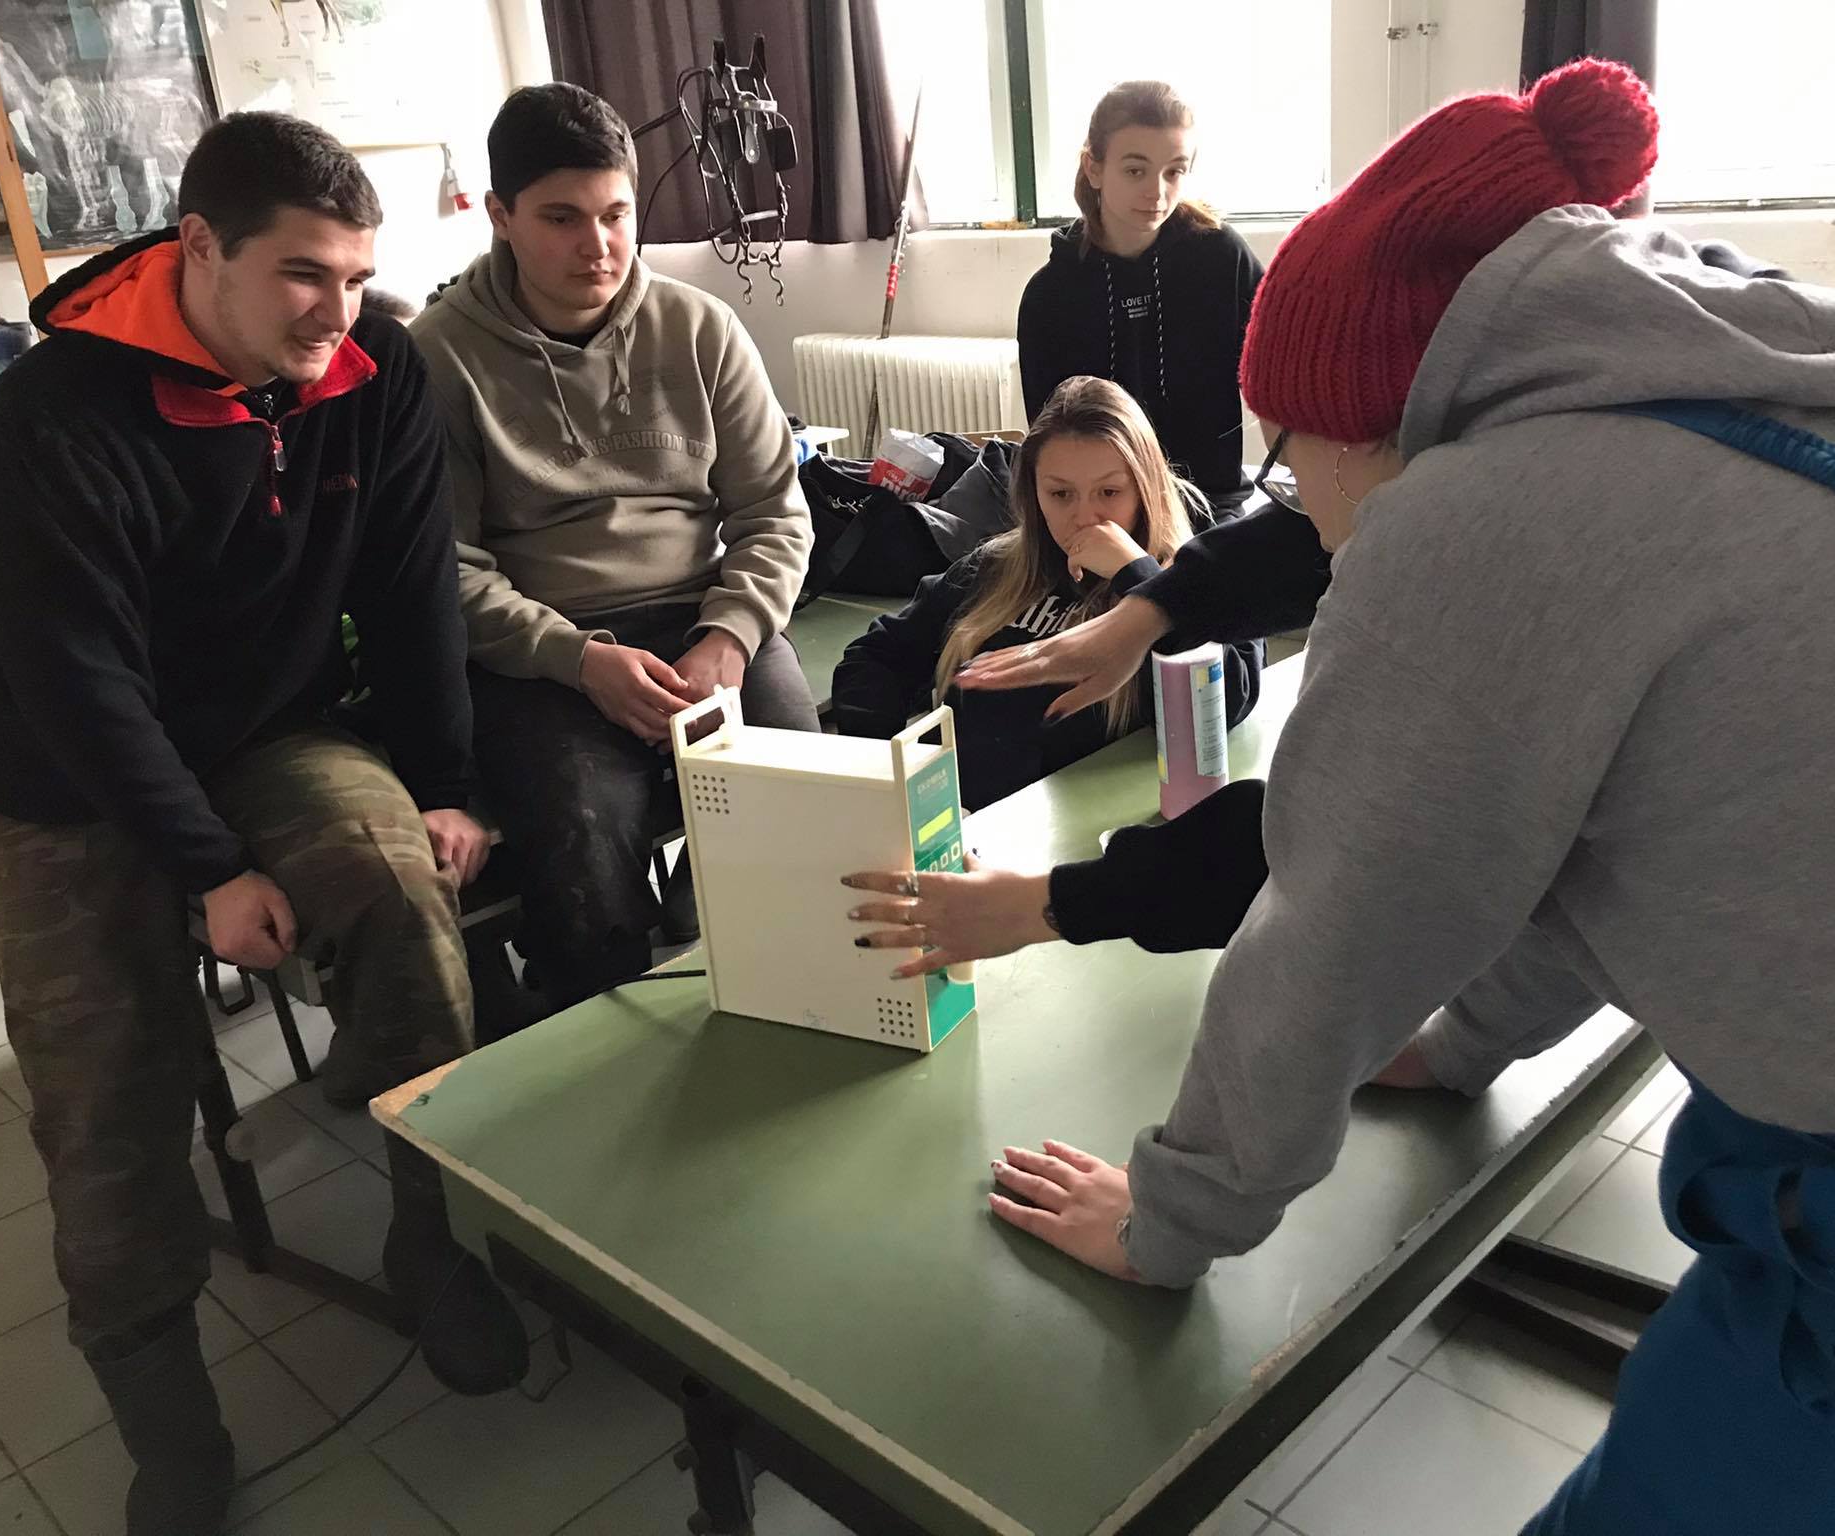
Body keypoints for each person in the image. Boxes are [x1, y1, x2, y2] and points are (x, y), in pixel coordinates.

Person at [944, 60, 1835, 1535]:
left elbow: (1334, 924)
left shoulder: (1482, 524)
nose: (1300, 503)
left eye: (1286, 455)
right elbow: (1596, 830)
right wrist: (1463, 1042)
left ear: (1357, 421)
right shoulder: (1829, 401)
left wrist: (1170, 1219)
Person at [0, 113, 528, 1536]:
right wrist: (209, 869)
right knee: (107, 1108)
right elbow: (78, 681)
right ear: (199, 247)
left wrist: (444, 782)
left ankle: (428, 1242)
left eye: (357, 277)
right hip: (71, 781)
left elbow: (411, 592)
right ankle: (169, 1427)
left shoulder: (373, 369)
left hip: (274, 732)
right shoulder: (54, 410)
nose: (337, 313)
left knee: (413, 916)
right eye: (303, 275)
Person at [411, 83, 817, 1012]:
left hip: (701, 618)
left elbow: (774, 511)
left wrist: (731, 637)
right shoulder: (438, 357)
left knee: (803, 799)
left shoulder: (701, 328)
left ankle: (779, 989)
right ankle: (599, 1029)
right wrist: (578, 660)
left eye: (616, 214)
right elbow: (445, 570)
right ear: (501, 216)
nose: (597, 244)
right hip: (540, 651)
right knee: (585, 836)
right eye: (561, 219)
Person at [830, 376, 1262, 811]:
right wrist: (895, 775)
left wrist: (1140, 579)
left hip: (1095, 830)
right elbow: (875, 656)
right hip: (974, 825)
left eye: (1109, 492)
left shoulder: (1197, 578)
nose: (1084, 516)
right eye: (1060, 494)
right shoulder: (996, 569)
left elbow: (1224, 706)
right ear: (1034, 493)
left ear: (1145, 489)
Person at [1017, 82, 1262, 510]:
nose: (1157, 192)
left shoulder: (1224, 258)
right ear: (1094, 168)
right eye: (1136, 171)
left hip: (1212, 502)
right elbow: (1050, 444)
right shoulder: (1048, 296)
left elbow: (1283, 367)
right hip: (1102, 511)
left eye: (1174, 171)